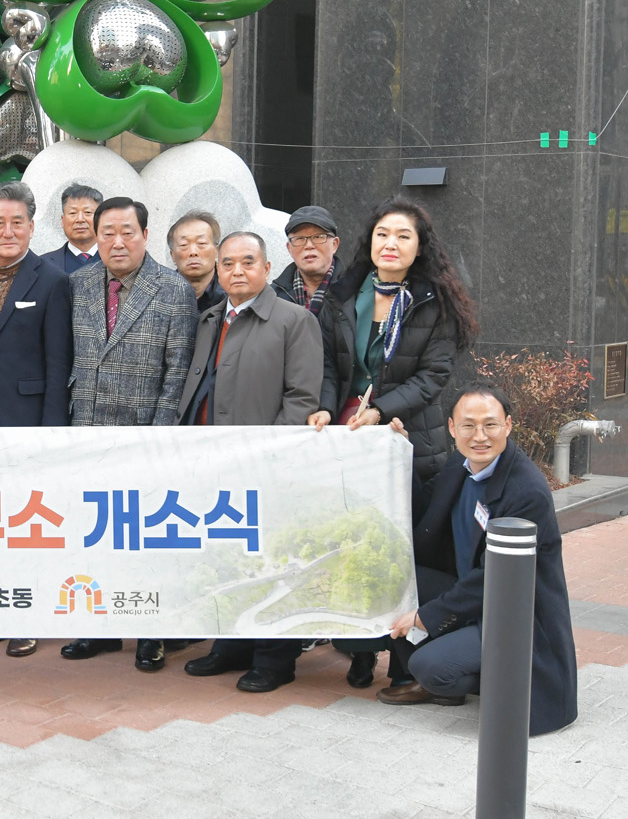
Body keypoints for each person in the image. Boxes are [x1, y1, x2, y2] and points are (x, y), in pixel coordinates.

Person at [310, 196, 477, 688]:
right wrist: (325, 407)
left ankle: (405, 663)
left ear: (420, 247)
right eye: (383, 234)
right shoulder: (344, 294)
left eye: (404, 236)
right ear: (370, 241)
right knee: (352, 547)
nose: (391, 243)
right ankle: (359, 652)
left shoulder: (433, 301)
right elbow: (329, 364)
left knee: (401, 554)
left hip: (409, 441)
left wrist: (382, 411)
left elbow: (434, 376)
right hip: (348, 437)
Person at [378, 385, 577, 735]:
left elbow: (495, 580)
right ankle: (453, 667)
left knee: (429, 665)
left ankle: (460, 677)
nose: (480, 436)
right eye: (468, 425)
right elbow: (426, 510)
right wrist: (400, 455)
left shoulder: (525, 492)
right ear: (452, 428)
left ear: (508, 425)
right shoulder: (462, 464)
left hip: (512, 614)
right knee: (393, 580)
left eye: (490, 425)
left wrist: (426, 617)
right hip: (472, 594)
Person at [177, 231, 323, 692]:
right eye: (228, 264)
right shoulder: (210, 319)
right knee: (225, 554)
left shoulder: (294, 320)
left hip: (266, 465)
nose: (236, 271)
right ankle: (231, 643)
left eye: (247, 262)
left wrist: (267, 455)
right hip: (211, 460)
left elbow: (302, 398)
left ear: (266, 267)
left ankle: (275, 657)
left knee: (272, 558)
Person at [62, 196, 197, 670]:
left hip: (143, 434)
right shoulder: (78, 284)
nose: (117, 242)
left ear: (145, 235)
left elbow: (177, 372)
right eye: (108, 233)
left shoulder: (173, 289)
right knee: (93, 532)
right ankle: (98, 629)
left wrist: (159, 437)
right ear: (95, 237)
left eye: (127, 233)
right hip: (86, 429)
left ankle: (150, 632)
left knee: (144, 538)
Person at [0, 181, 70, 659]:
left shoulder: (51, 281)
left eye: (17, 223)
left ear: (31, 226)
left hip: (25, 421)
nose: (8, 232)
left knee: (24, 523)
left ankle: (27, 616)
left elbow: (58, 363)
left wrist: (50, 433)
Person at [272, 205, 343, 313]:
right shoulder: (272, 298)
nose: (309, 245)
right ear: (289, 248)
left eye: (318, 237)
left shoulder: (354, 291)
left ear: (334, 244)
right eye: (299, 238)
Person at [169, 210, 224, 314]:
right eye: (184, 245)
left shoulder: (232, 295)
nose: (193, 252)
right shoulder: (160, 296)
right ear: (173, 256)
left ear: (216, 251)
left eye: (201, 243)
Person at [46, 183, 101, 274]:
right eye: (72, 213)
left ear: (100, 219)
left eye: (87, 212)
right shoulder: (44, 265)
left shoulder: (117, 261)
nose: (80, 219)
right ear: (63, 220)